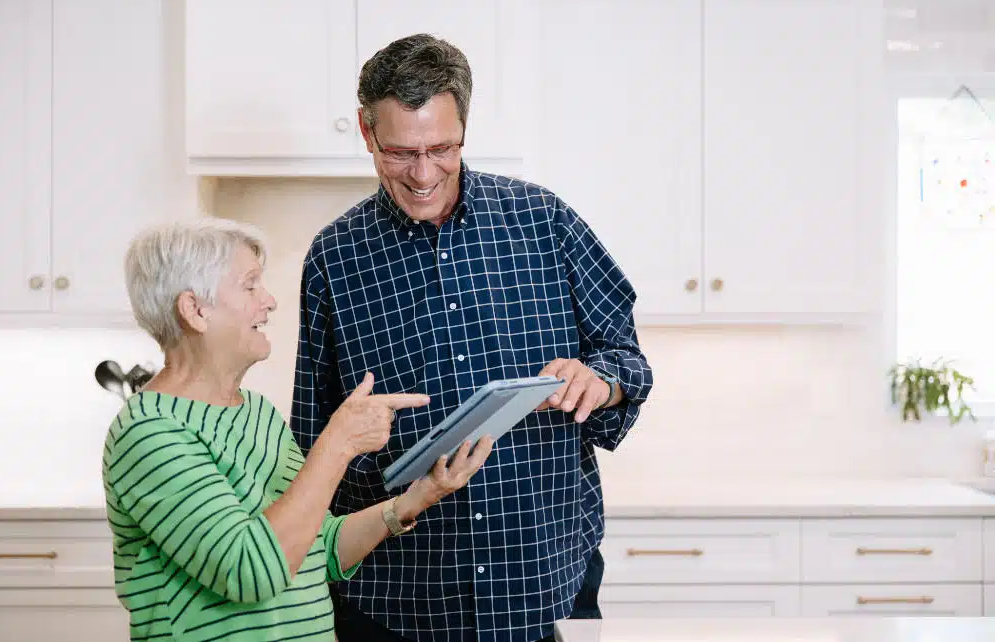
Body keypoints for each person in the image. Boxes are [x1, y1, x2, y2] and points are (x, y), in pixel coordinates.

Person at [291, 33, 653, 642]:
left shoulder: (544, 221)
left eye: (441, 148)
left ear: (464, 128)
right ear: (366, 132)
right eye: (402, 152)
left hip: (544, 581)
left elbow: (628, 361)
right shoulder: (335, 257)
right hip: (397, 597)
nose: (423, 173)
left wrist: (600, 382)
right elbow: (311, 436)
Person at [102, 218, 493, 642]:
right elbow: (251, 570)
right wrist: (338, 443)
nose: (269, 301)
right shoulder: (149, 433)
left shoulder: (257, 413)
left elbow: (319, 548)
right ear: (196, 310)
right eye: (250, 286)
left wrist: (419, 496)